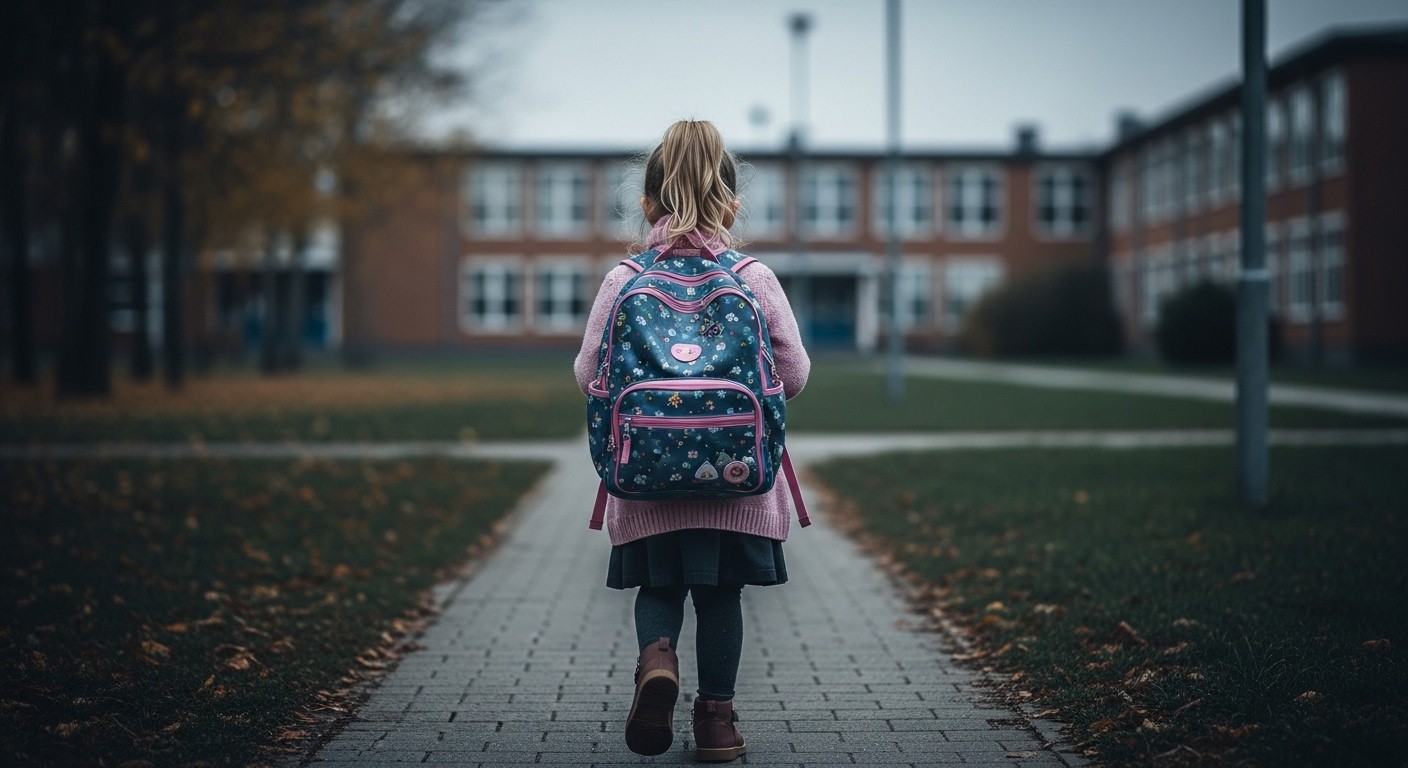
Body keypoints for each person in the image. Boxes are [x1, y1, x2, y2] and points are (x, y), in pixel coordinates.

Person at [573, 119, 810, 762]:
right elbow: (793, 374)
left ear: (647, 204)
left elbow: (586, 373)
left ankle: (656, 661)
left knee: (659, 590)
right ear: (731, 205)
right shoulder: (753, 278)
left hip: (644, 481)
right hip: (735, 484)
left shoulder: (624, 279)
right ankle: (716, 723)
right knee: (720, 597)